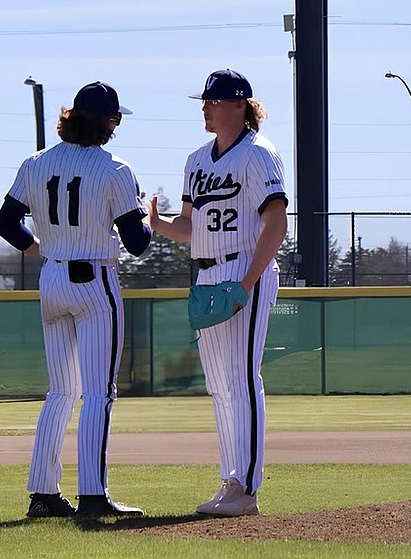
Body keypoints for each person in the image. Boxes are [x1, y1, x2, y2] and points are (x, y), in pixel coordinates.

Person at [0, 81, 151, 519]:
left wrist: (40, 249)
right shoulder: (115, 168)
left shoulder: (36, 162)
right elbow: (137, 243)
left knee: (61, 391)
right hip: (94, 283)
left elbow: (6, 223)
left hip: (51, 279)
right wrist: (151, 218)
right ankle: (94, 496)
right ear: (109, 122)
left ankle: (42, 494)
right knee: (99, 392)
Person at [147, 69, 288, 517]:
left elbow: (277, 223)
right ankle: (230, 479)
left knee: (243, 377)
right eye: (205, 101)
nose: (205, 107)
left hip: (245, 270)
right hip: (206, 276)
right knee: (219, 385)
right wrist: (158, 224)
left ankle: (246, 486)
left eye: (213, 100)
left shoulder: (258, 154)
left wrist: (247, 284)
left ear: (239, 105)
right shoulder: (196, 161)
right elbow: (189, 227)